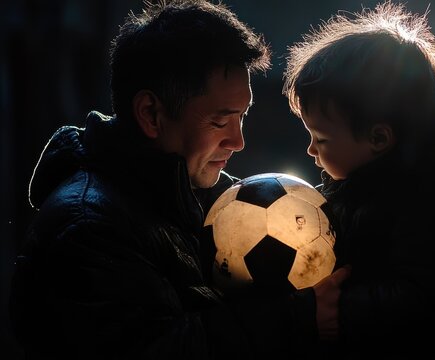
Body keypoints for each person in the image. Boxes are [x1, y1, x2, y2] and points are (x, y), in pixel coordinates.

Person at [9, 0, 272, 358]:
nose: (238, 141)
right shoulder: (88, 228)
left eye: (242, 117)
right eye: (220, 121)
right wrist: (292, 321)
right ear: (150, 113)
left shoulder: (204, 194)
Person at [282, 1, 435, 359]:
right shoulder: (364, 181)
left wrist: (333, 313)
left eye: (321, 139)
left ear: (378, 139)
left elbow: (421, 299)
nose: (311, 150)